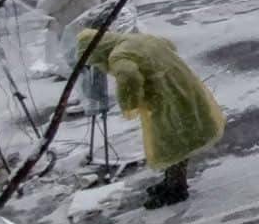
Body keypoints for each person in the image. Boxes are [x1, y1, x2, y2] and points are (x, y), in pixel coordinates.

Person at [77, 28, 225, 208]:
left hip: (167, 98)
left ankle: (176, 188)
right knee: (177, 137)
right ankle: (172, 180)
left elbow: (128, 75)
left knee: (171, 140)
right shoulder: (138, 39)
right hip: (182, 87)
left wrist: (130, 102)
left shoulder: (118, 56)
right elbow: (168, 45)